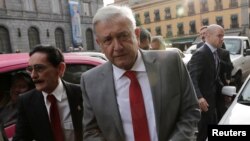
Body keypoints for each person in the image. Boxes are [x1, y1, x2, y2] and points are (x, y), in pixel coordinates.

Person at [81, 5, 200, 141]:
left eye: (123, 36)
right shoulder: (90, 81)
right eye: (108, 40)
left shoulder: (170, 64)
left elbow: (190, 111)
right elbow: (91, 131)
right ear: (99, 43)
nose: (118, 47)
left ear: (136, 35)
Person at [13, 45, 83, 141]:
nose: (33, 75)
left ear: (60, 69)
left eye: (39, 68)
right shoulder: (26, 101)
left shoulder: (81, 94)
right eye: (30, 69)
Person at [188, 24, 224, 141]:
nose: (222, 39)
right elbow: (192, 78)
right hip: (204, 105)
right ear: (208, 36)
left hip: (214, 101)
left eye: (223, 36)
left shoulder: (216, 51)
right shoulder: (200, 53)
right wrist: (199, 97)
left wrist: (224, 90)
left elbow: (215, 76)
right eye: (219, 36)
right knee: (203, 133)